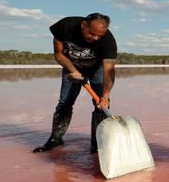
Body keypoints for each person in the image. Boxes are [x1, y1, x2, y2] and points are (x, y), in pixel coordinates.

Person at [33, 13, 117, 153]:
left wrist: (106, 95)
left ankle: (97, 144)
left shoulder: (108, 41)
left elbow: (109, 70)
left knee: (101, 105)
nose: (95, 38)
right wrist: (73, 71)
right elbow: (59, 54)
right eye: (92, 34)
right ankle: (55, 139)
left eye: (99, 36)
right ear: (84, 25)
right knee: (65, 102)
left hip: (97, 69)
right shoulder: (65, 26)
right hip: (72, 66)